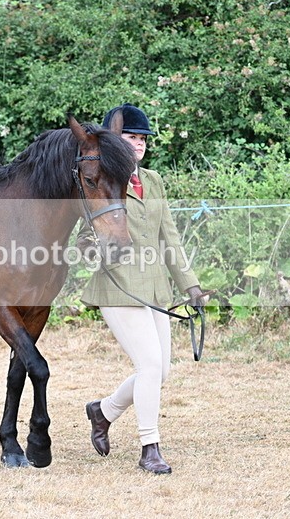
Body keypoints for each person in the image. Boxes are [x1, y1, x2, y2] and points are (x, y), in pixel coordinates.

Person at [78, 103, 209, 474]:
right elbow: (85, 240)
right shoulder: (100, 180)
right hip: (118, 286)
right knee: (149, 365)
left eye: (142, 139)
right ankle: (149, 447)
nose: (138, 144)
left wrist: (191, 286)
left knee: (161, 371)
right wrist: (97, 247)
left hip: (154, 290)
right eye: (130, 137)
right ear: (111, 141)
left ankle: (103, 412)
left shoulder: (153, 181)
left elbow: (170, 237)